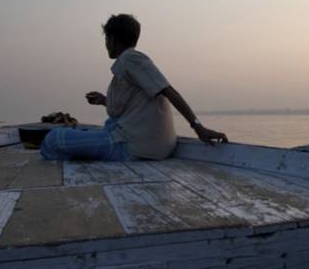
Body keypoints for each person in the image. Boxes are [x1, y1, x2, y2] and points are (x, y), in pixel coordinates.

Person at [40, 13, 227, 161]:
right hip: (154, 146)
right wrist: (104, 101)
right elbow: (129, 106)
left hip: (133, 147)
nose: (105, 44)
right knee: (103, 127)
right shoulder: (129, 63)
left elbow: (169, 91)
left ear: (113, 39)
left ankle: (78, 154)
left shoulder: (130, 59)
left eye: (107, 38)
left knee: (53, 139)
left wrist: (198, 128)